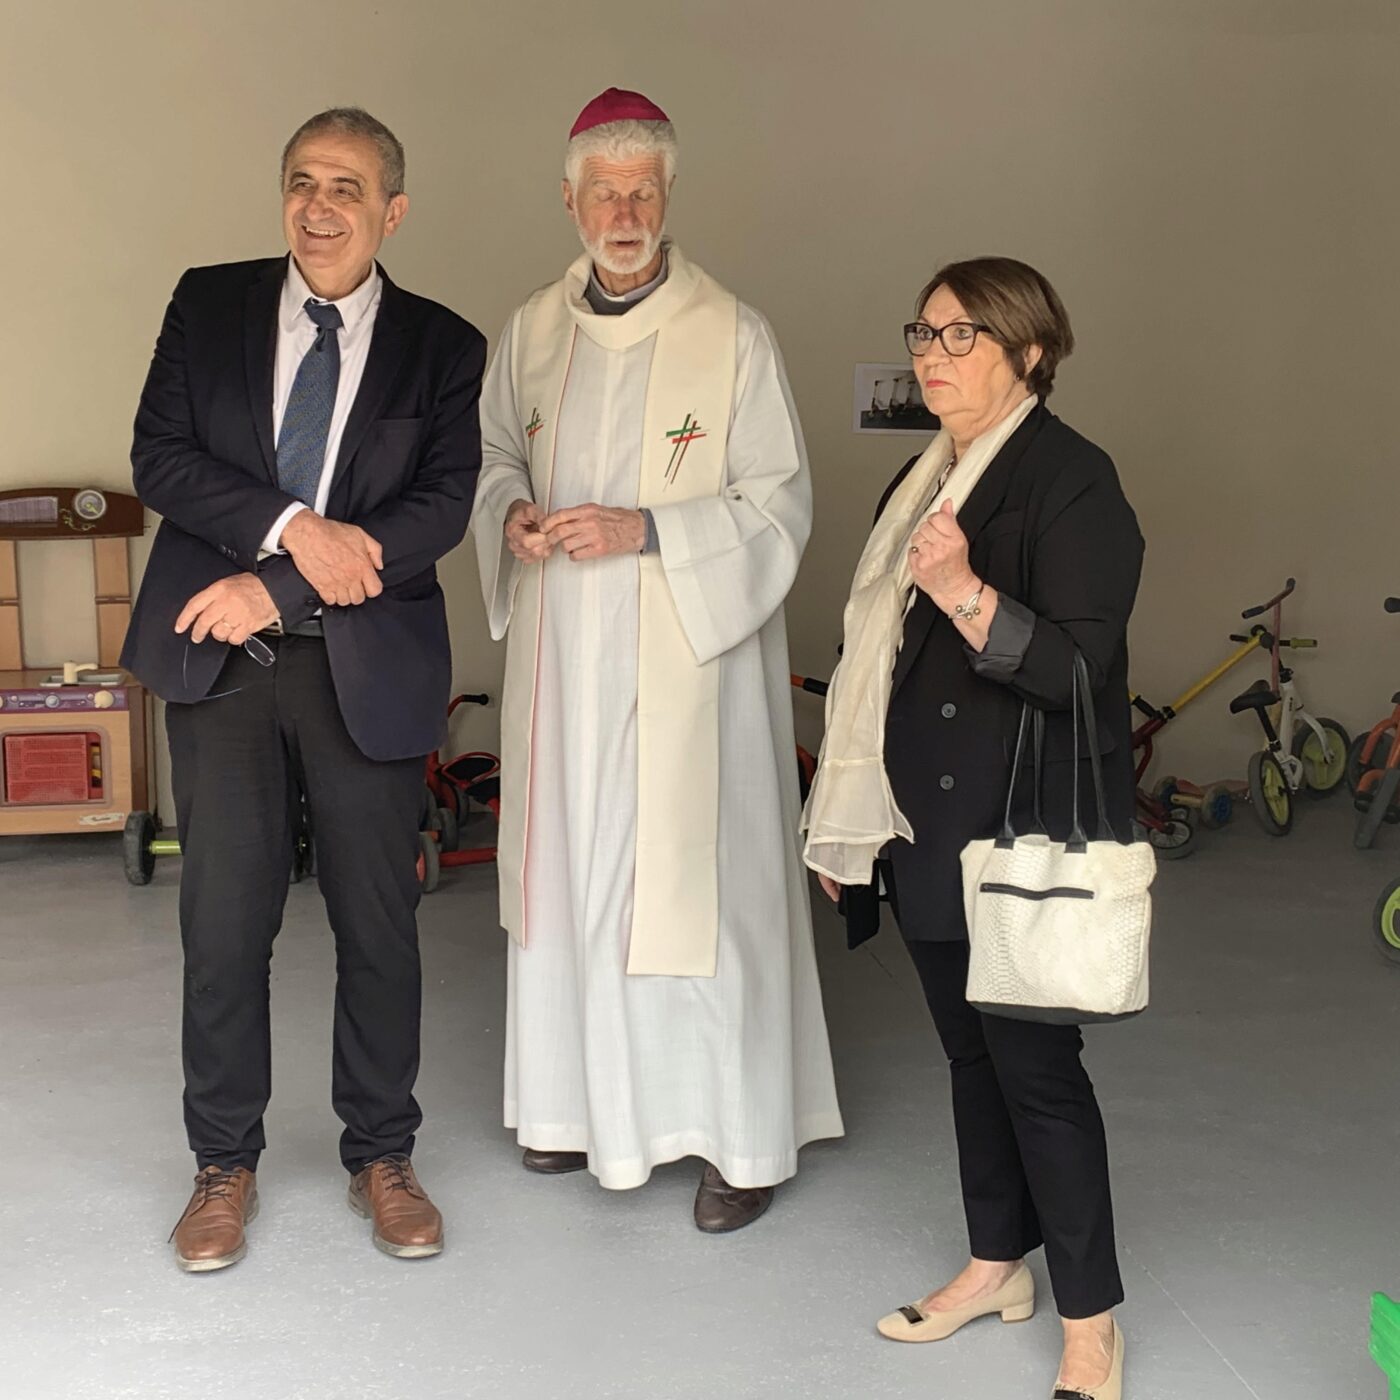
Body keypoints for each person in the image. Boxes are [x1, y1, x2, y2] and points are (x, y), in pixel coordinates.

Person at [471, 87, 843, 1231]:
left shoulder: (731, 333)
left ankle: (736, 1137)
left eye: (642, 191)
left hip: (688, 666)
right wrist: (510, 516)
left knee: (696, 894)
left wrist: (647, 529)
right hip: (563, 667)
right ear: (569, 199)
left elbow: (777, 502)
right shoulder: (529, 332)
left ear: (668, 195)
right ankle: (572, 1108)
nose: (623, 213)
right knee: (570, 875)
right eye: (604, 192)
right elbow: (491, 456)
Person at [122, 107, 486, 1271]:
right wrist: (291, 529)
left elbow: (437, 510)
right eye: (301, 182)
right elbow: (161, 458)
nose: (318, 206)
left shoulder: (442, 344)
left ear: (393, 211)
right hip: (220, 664)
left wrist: (273, 585)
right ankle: (221, 1162)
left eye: (346, 187)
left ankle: (382, 1152)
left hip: (362, 666)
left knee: (378, 922)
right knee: (224, 924)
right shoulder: (209, 302)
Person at [803, 257, 1142, 1399]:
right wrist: (850, 818)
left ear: (1029, 353)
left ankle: (1090, 1320)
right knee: (968, 1058)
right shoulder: (921, 478)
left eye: (962, 337)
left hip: (1015, 832)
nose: (933, 357)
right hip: (920, 826)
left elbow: (1082, 671)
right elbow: (876, 664)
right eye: (924, 334)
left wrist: (961, 590)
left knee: (1039, 1076)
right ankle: (997, 1264)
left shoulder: (1072, 480)